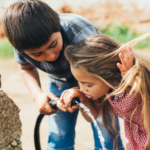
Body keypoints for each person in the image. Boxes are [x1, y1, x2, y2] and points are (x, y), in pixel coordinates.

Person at [2, 0, 124, 149]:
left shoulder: (78, 32)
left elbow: (105, 67)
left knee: (106, 131)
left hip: (96, 79)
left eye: (53, 45)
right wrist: (37, 95)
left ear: (58, 27)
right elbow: (25, 68)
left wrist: (84, 91)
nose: (51, 56)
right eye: (37, 54)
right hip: (59, 82)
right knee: (58, 134)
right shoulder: (22, 44)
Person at [61, 33, 150, 150]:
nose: (82, 88)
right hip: (139, 140)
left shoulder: (134, 86)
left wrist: (134, 81)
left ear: (110, 77)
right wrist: (83, 101)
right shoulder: (106, 93)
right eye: (79, 82)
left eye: (88, 84)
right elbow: (93, 117)